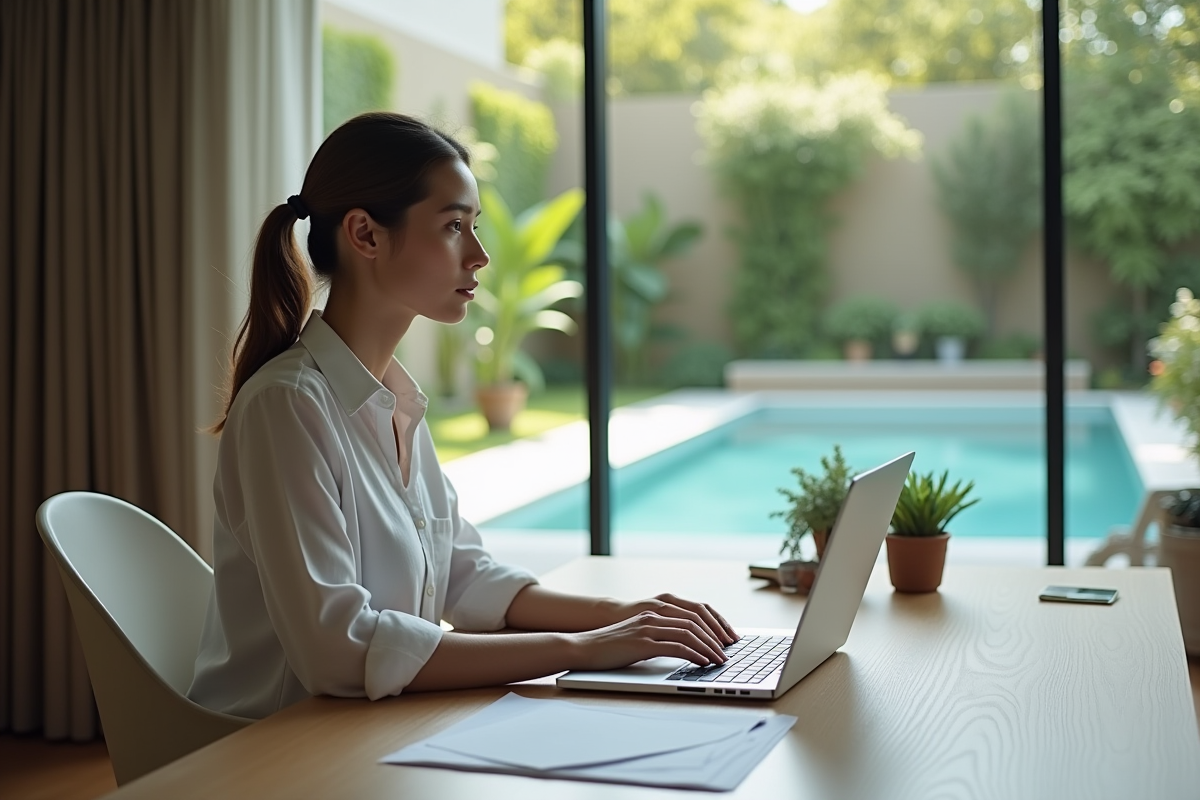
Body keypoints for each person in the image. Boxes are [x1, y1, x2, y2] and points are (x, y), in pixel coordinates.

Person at [188, 112, 736, 719]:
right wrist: (580, 649)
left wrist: (625, 618)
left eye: (473, 227)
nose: (479, 255)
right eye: (453, 226)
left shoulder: (395, 401)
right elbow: (337, 651)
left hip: (371, 727)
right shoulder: (287, 406)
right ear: (365, 235)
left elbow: (462, 576)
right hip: (278, 747)